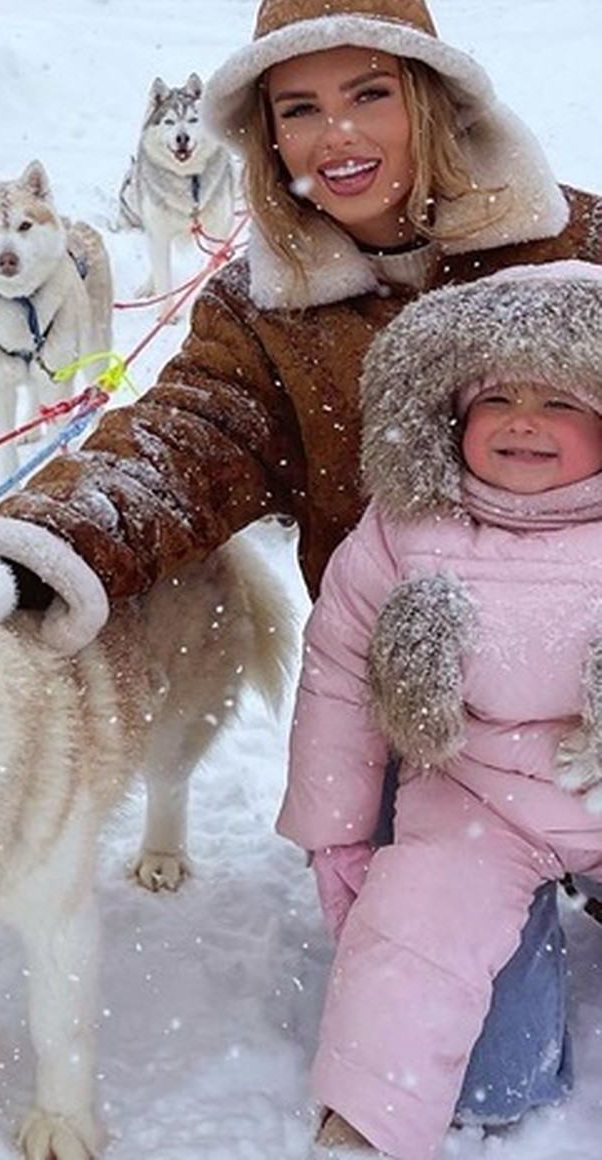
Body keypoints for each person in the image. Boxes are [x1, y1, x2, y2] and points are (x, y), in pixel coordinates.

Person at [0, 0, 601, 1135]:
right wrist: (24, 558)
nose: (337, 135)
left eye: (369, 95)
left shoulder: (575, 248)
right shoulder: (263, 311)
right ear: (264, 140)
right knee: (485, 1080)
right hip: (440, 727)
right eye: (299, 110)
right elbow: (178, 446)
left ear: (434, 101)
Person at [278, 260, 602, 1159]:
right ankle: (364, 1128)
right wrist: (339, 833)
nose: (524, 422)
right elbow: (339, 675)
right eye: (498, 399)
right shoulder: (404, 528)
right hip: (477, 801)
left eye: (562, 401)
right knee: (418, 947)